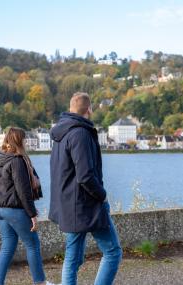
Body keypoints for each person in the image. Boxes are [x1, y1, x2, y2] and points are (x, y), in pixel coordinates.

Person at [49, 92, 122, 285]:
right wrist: (103, 195)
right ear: (89, 109)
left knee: (73, 258)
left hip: (69, 204)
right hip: (85, 205)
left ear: (71, 108)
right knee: (113, 252)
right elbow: (85, 175)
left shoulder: (61, 133)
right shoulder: (80, 132)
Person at [0, 127, 55, 285]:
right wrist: (32, 214)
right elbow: (23, 190)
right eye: (24, 139)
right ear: (20, 141)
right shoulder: (17, 160)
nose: (26, 142)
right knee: (32, 244)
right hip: (14, 210)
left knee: (7, 247)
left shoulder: (2, 158)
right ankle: (40, 282)